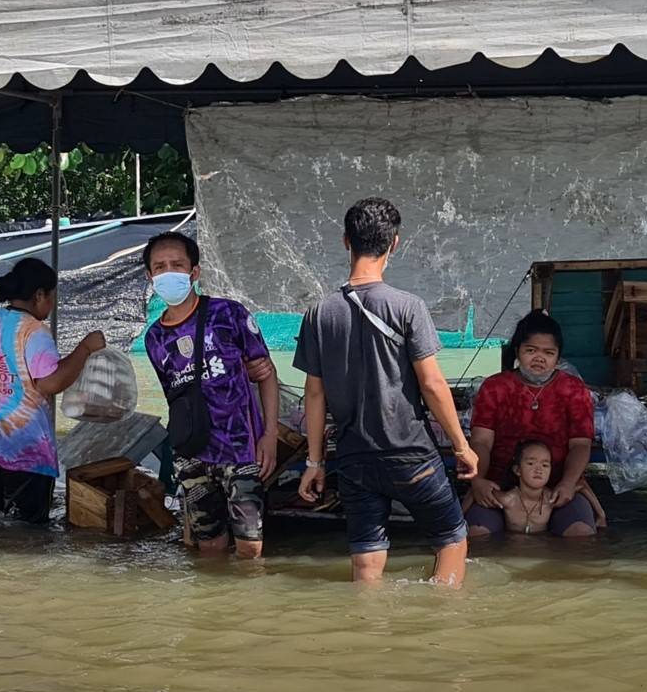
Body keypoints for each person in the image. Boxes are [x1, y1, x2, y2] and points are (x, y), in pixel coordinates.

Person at [293, 197, 480, 585]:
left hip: (353, 458)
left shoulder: (318, 314)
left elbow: (314, 394)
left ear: (346, 241)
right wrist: (462, 446)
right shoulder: (408, 306)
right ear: (394, 244)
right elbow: (431, 384)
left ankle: (368, 633)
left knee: (366, 559)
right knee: (451, 540)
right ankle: (445, 623)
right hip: (411, 455)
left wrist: (314, 464)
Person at [142, 231, 281, 558]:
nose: (168, 272)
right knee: (209, 548)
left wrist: (270, 436)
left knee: (250, 547)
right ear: (149, 277)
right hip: (192, 454)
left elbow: (267, 375)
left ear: (194, 272)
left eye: (177, 264)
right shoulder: (154, 338)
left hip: (240, 449)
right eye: (160, 267)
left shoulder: (229, 314)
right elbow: (174, 399)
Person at [0, 258, 106, 522]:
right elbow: (50, 382)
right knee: (31, 528)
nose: (53, 304)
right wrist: (85, 349)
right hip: (22, 444)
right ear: (40, 295)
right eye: (52, 296)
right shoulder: (34, 331)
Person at [464, 311, 603, 539]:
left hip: (558, 486)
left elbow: (580, 444)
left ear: (558, 358)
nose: (539, 358)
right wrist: (478, 481)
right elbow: (481, 442)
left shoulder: (574, 390)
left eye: (548, 353)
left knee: (581, 534)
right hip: (500, 486)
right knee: (477, 534)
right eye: (531, 351)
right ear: (518, 351)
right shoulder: (494, 387)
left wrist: (568, 484)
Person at [496, 441, 557, 535]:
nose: (539, 470)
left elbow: (580, 486)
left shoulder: (552, 499)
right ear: (517, 470)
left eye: (545, 465)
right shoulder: (508, 499)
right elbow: (478, 492)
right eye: (531, 463)